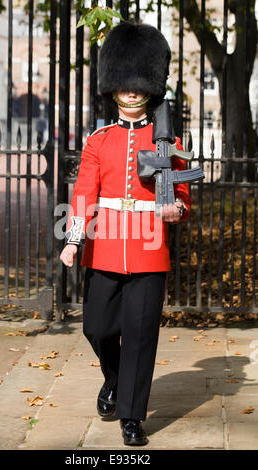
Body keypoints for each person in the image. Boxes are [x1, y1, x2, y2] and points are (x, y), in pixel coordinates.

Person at [59, 22, 190, 446]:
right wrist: (74, 239)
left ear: (149, 86)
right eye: (125, 85)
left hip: (150, 246)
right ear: (114, 85)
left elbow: (182, 190)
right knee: (96, 328)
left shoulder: (170, 139)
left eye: (139, 85)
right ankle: (113, 378)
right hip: (105, 246)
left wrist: (177, 207)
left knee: (140, 334)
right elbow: (84, 192)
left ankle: (132, 417)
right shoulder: (99, 139)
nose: (132, 92)